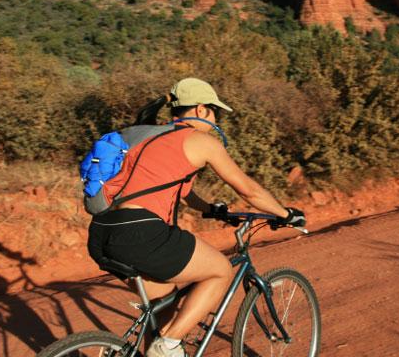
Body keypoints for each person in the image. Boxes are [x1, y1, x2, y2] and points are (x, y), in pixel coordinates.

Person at [87, 77, 306, 357]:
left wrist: (212, 209)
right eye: (215, 113)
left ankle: (161, 344)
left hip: (102, 233)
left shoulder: (148, 135)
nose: (217, 120)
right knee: (220, 271)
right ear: (201, 110)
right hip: (142, 235)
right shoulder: (200, 141)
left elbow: (183, 192)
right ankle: (167, 346)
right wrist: (286, 214)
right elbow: (249, 190)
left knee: (164, 312)